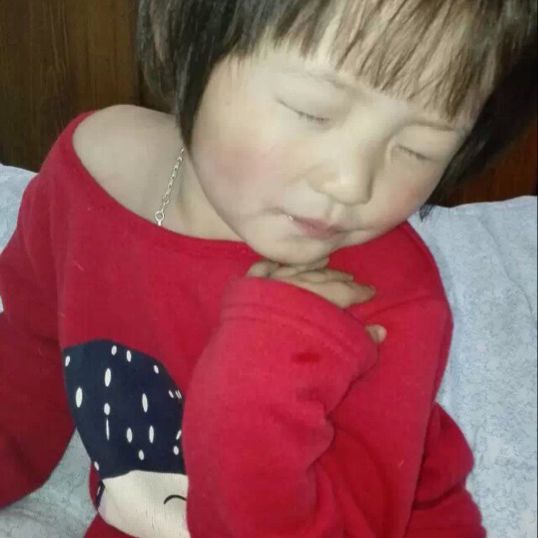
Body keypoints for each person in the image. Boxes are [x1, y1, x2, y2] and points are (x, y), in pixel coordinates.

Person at [0, 0, 536, 536]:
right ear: (179, 36)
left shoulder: (387, 298)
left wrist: (258, 380)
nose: (352, 183)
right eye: (313, 111)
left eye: (419, 149)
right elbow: (28, 361)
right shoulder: (91, 178)